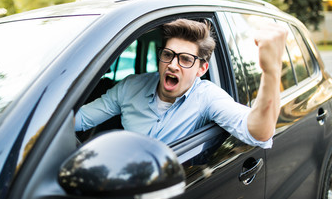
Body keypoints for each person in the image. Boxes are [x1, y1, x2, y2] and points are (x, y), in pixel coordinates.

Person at [75, 19, 287, 148]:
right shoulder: (130, 87)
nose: (173, 65)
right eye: (168, 55)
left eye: (185, 59)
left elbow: (259, 131)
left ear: (201, 70)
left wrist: (271, 71)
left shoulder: (207, 97)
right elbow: (81, 119)